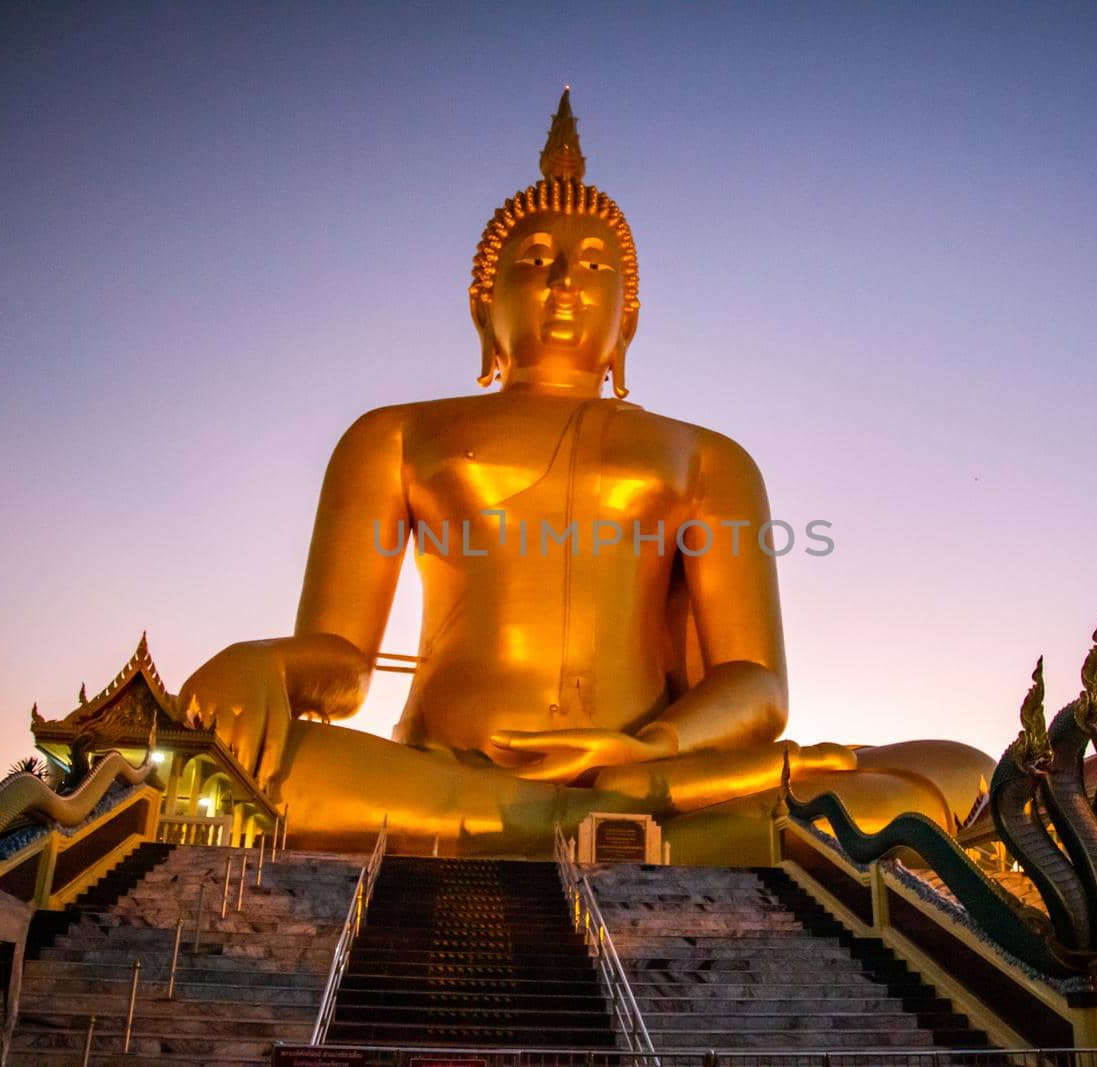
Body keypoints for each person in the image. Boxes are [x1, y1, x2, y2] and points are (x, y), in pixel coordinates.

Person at [179, 92, 991, 856]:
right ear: (481, 305)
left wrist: (646, 745)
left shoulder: (708, 456)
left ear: (627, 315)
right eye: (534, 260)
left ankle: (581, 814)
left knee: (963, 769)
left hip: (643, 768)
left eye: (595, 265)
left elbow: (756, 684)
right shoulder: (393, 435)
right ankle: (611, 829)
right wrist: (264, 663)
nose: (565, 280)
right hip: (443, 768)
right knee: (267, 766)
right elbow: (344, 668)